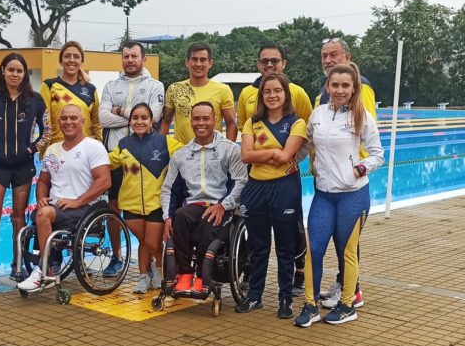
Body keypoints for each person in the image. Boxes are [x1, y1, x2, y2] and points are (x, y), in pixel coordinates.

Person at [294, 63, 383, 327]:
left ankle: (347, 304)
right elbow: (306, 144)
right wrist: (286, 162)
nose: (340, 90)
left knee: (347, 251)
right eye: (335, 85)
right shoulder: (318, 114)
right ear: (328, 86)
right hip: (324, 194)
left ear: (354, 88)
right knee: (315, 250)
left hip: (353, 194)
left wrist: (361, 168)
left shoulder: (362, 116)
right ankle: (310, 306)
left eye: (346, 85)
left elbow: (378, 153)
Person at [236, 42, 312, 297]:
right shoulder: (248, 98)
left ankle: (292, 283)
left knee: (288, 237)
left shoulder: (298, 94)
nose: (269, 64)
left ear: (283, 63)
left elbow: (305, 134)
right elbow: (245, 151)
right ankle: (254, 289)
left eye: (274, 60)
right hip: (257, 182)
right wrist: (270, 154)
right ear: (258, 64)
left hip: (285, 181)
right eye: (264, 61)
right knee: (257, 241)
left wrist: (287, 158)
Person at [0, 53, 51, 291]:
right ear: (2, 71)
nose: (15, 75)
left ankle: (17, 266)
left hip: (22, 165)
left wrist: (31, 149)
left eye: (19, 71)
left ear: (24, 74)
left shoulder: (35, 100)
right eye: (11, 70)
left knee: (19, 215)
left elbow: (47, 130)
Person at [17, 104, 111, 291]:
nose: (68, 122)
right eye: (64, 118)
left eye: (73, 118)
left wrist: (78, 201)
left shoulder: (93, 147)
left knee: (43, 215)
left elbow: (104, 181)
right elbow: (43, 181)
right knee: (40, 213)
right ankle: (46, 267)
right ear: (58, 122)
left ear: (83, 121)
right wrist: (41, 198)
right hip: (56, 208)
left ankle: (43, 271)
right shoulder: (53, 150)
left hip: (84, 209)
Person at [315, 38, 378, 309]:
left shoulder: (360, 86)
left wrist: (356, 168)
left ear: (347, 56)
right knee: (337, 238)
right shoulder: (322, 92)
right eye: (324, 56)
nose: (328, 60)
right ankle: (344, 283)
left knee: (347, 240)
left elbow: (364, 127)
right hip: (327, 182)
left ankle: (354, 290)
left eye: (333, 55)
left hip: (350, 181)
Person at [159, 102, 247, 294]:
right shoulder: (181, 155)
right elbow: (168, 189)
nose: (201, 123)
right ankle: (184, 274)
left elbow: (240, 182)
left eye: (206, 118)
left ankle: (201, 275)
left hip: (222, 207)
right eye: (196, 119)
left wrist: (223, 206)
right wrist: (167, 217)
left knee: (209, 220)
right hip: (193, 207)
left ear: (215, 120)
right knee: (180, 215)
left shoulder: (230, 150)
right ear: (190, 121)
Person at [100, 41, 165, 279]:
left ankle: (156, 262)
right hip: (119, 157)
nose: (129, 60)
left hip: (148, 158)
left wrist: (119, 111)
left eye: (134, 56)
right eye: (126, 56)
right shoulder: (111, 85)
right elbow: (103, 118)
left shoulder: (155, 85)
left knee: (151, 209)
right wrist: (137, 116)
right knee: (114, 207)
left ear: (143, 59)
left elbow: (154, 117)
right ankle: (117, 257)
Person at [108, 103, 183, 293]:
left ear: (152, 121)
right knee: (144, 242)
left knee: (151, 242)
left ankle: (160, 270)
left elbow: (186, 154)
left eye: (144, 118)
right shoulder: (124, 144)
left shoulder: (165, 142)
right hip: (131, 203)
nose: (139, 121)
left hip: (156, 203)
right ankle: (144, 277)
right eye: (135, 118)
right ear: (130, 121)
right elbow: (107, 162)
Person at [160, 42, 237, 144]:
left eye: (203, 60)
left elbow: (231, 123)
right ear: (187, 62)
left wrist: (227, 151)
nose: (198, 64)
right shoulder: (174, 89)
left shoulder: (223, 90)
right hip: (181, 154)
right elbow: (166, 121)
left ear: (210, 63)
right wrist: (161, 149)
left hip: (213, 155)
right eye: (194, 59)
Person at [39, 41, 102, 155]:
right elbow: (44, 122)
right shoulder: (49, 86)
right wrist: (45, 152)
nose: (71, 60)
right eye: (67, 56)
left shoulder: (91, 89)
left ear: (81, 62)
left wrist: (99, 148)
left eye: (76, 57)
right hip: (57, 151)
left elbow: (97, 124)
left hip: (85, 152)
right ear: (61, 61)